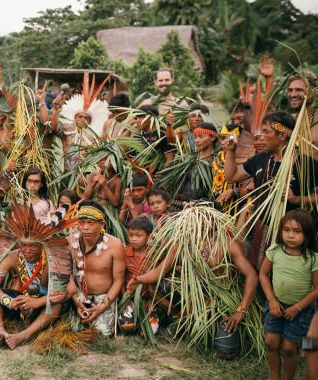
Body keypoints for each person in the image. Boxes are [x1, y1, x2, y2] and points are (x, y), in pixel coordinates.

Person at [126, 204, 259, 358]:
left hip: (221, 300)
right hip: (193, 295)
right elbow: (160, 271)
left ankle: (205, 324)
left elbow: (252, 276)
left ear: (213, 220)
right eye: (195, 220)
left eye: (204, 221)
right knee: (156, 287)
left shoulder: (227, 243)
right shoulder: (182, 242)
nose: (199, 224)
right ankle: (186, 319)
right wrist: (139, 279)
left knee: (225, 352)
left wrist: (240, 311)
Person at [223, 112, 318, 270]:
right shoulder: (260, 159)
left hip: (291, 234)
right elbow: (231, 177)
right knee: (259, 273)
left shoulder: (305, 164)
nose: (261, 136)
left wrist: (296, 199)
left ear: (282, 135)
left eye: (266, 131)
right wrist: (231, 151)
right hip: (261, 228)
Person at [0, 203, 71, 349]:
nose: (27, 250)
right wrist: (8, 301)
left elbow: (68, 292)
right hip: (22, 304)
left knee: (57, 303)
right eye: (24, 245)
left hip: (44, 309)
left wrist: (37, 302)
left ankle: (24, 335)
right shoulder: (13, 257)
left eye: (33, 247)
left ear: (43, 245)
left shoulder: (54, 259)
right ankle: (0, 331)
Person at [260, 210, 318, 380]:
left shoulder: (312, 259)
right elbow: (263, 274)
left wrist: (297, 307)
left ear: (307, 234)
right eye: (286, 230)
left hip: (301, 310)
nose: (290, 235)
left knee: (289, 348)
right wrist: (271, 300)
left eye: (297, 231)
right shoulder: (275, 250)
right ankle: (274, 377)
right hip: (275, 305)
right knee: (270, 342)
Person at [67, 201, 126, 337]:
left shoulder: (115, 246)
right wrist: (76, 301)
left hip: (104, 297)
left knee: (102, 333)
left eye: (91, 222)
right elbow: (66, 274)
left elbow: (118, 281)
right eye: (81, 222)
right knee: (73, 329)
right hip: (78, 295)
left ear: (102, 224)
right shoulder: (69, 243)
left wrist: (102, 307)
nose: (85, 227)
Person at [56, 72, 110, 169]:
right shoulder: (67, 130)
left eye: (86, 118)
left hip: (88, 174)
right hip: (68, 174)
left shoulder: (96, 136)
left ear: (90, 121)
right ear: (74, 117)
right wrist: (55, 109)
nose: (82, 120)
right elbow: (54, 126)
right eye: (80, 116)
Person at [118, 217, 159, 334]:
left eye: (138, 235)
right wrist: (124, 298)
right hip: (129, 297)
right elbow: (119, 278)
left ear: (149, 236)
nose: (133, 239)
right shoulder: (124, 253)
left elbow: (160, 277)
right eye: (130, 235)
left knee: (150, 331)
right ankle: (131, 316)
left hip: (148, 298)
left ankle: (150, 315)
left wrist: (153, 299)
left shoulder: (156, 254)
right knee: (128, 327)